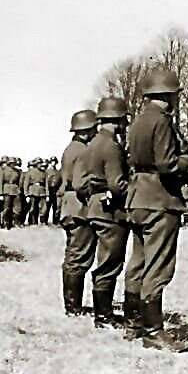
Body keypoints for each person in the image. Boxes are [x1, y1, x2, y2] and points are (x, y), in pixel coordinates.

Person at [123, 68, 188, 352]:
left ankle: (133, 324)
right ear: (168, 95)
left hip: (138, 198)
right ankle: (153, 331)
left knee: (138, 263)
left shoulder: (138, 121)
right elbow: (167, 165)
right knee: (158, 266)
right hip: (160, 200)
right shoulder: (162, 121)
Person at [76, 97, 131, 327]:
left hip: (94, 206)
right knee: (110, 264)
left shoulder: (92, 144)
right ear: (118, 120)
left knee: (104, 262)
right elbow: (117, 184)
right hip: (110, 211)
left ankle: (103, 313)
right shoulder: (111, 146)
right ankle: (104, 317)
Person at [59, 110, 98, 315]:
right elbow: (81, 183)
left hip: (71, 205)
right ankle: (73, 307)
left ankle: (73, 305)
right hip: (80, 206)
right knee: (78, 257)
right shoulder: (82, 151)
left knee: (75, 256)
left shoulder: (72, 148)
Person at [44, 157, 62, 225]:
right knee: (47, 207)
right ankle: (45, 221)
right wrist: (47, 194)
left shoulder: (58, 172)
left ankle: (55, 222)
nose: (53, 163)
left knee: (55, 207)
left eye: (54, 162)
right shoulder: (47, 172)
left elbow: (60, 182)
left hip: (56, 190)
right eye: (52, 162)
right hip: (49, 190)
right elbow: (45, 183)